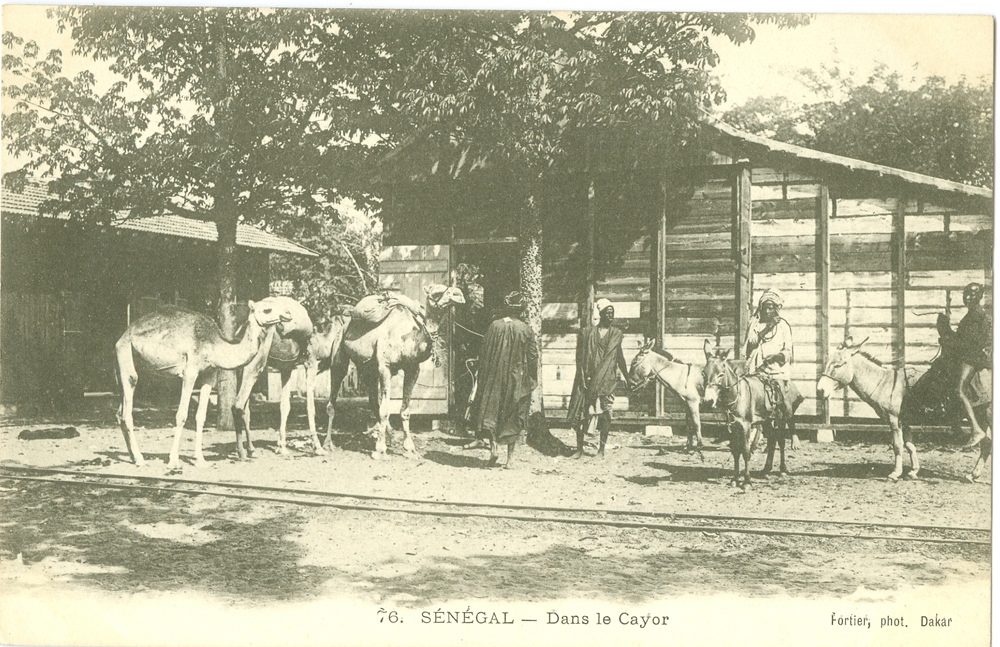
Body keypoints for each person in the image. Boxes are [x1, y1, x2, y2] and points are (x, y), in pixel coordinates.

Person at [469, 290, 539, 468]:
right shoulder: (526, 329)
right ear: (522, 309)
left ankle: (493, 448)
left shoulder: (494, 326)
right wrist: (531, 379)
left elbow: (484, 354)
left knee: (492, 412)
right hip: (517, 379)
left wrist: (484, 375)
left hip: (494, 377)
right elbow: (533, 357)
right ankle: (510, 460)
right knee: (513, 415)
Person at [567, 298, 633, 459]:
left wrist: (627, 377)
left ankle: (601, 450)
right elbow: (579, 357)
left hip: (606, 381)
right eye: (607, 313)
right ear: (601, 314)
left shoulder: (616, 334)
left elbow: (620, 358)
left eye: (612, 313)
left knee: (605, 415)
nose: (610, 316)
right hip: (587, 380)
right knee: (582, 414)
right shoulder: (587, 332)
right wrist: (581, 376)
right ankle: (579, 449)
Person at [741, 289, 803, 429]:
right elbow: (751, 344)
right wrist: (768, 327)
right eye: (765, 308)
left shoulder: (783, 326)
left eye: (771, 308)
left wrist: (776, 356)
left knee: (783, 402)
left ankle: (792, 433)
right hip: (758, 371)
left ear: (776, 309)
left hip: (777, 371)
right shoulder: (755, 324)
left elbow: (788, 351)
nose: (767, 311)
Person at [941, 282, 992, 448]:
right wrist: (947, 333)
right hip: (970, 355)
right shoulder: (973, 314)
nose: (968, 297)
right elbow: (963, 339)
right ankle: (955, 426)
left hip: (971, 358)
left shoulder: (975, 314)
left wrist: (947, 335)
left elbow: (967, 343)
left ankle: (976, 429)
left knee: (958, 390)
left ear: (979, 297)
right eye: (966, 294)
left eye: (973, 294)